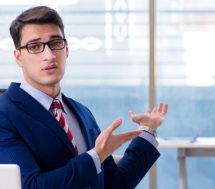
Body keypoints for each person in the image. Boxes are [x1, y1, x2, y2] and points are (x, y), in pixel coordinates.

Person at [0, 6, 168, 189]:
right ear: (18, 57)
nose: (49, 55)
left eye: (56, 43)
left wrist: (148, 130)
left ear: (67, 49)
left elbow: (114, 184)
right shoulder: (5, 114)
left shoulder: (81, 112)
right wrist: (96, 155)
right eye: (35, 47)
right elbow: (31, 186)